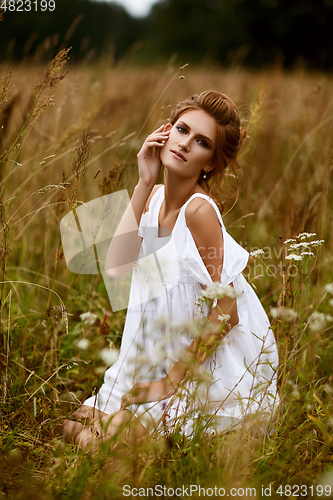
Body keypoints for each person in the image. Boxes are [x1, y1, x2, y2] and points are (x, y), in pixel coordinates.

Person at [62, 90, 279, 448]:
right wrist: (144, 181)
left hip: (199, 367)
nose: (185, 144)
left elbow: (227, 310)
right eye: (181, 130)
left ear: (209, 163)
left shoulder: (199, 212)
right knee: (71, 428)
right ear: (165, 133)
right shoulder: (154, 195)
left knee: (98, 445)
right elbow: (117, 266)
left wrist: (171, 382)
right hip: (155, 353)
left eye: (201, 142)